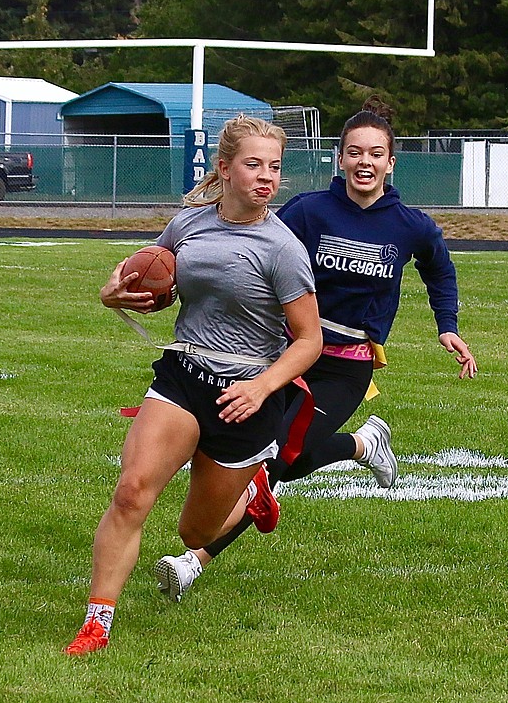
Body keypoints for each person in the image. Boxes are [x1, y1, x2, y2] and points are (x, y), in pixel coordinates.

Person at [154, 96, 477, 601]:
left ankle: (194, 561)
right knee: (276, 455)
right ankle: (362, 445)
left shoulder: (409, 224)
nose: (364, 162)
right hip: (289, 354)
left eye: (375, 153)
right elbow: (257, 251)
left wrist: (447, 325)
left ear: (392, 162)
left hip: (345, 366)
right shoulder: (308, 210)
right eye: (353, 152)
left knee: (279, 458)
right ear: (339, 158)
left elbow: (439, 267)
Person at [63, 115, 323, 655]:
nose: (266, 177)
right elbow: (153, 278)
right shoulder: (188, 225)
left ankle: (254, 487)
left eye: (274, 167)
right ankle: (97, 622)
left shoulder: (283, 248)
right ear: (225, 168)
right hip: (184, 376)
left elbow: (308, 341)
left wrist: (262, 388)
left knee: (195, 536)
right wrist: (116, 294)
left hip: (246, 398)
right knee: (132, 492)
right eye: (254, 165)